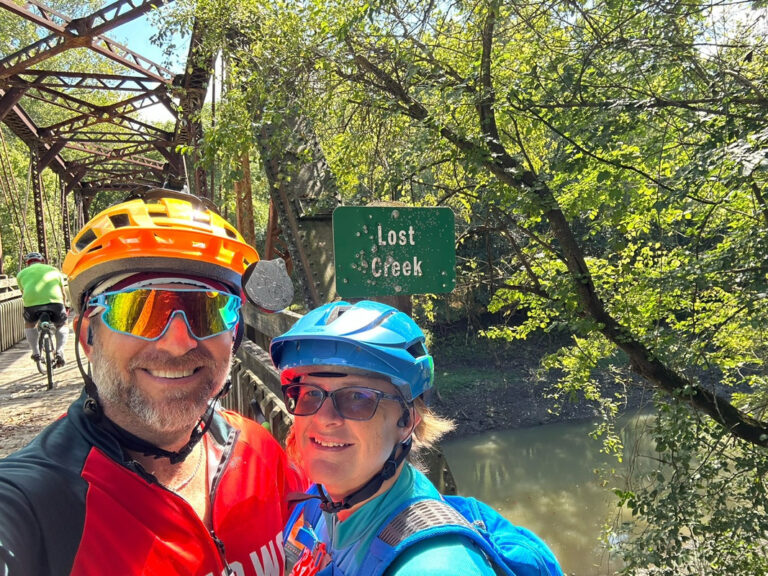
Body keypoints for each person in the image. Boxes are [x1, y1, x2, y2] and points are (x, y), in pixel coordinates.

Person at [0, 189, 305, 575]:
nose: (179, 343)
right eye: (138, 310)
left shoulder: (259, 451)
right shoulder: (36, 505)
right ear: (87, 338)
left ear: (235, 335)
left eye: (208, 309)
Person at [271, 300, 563, 576]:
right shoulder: (322, 501)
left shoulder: (435, 566)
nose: (324, 417)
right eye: (310, 393)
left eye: (357, 397)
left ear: (407, 421)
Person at [16, 251, 69, 367]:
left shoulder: (21, 274)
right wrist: (65, 305)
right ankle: (59, 350)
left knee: (30, 324)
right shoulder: (54, 270)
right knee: (62, 324)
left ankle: (35, 352)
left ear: (27, 263)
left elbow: (23, 292)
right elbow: (63, 293)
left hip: (32, 305)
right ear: (43, 261)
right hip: (55, 303)